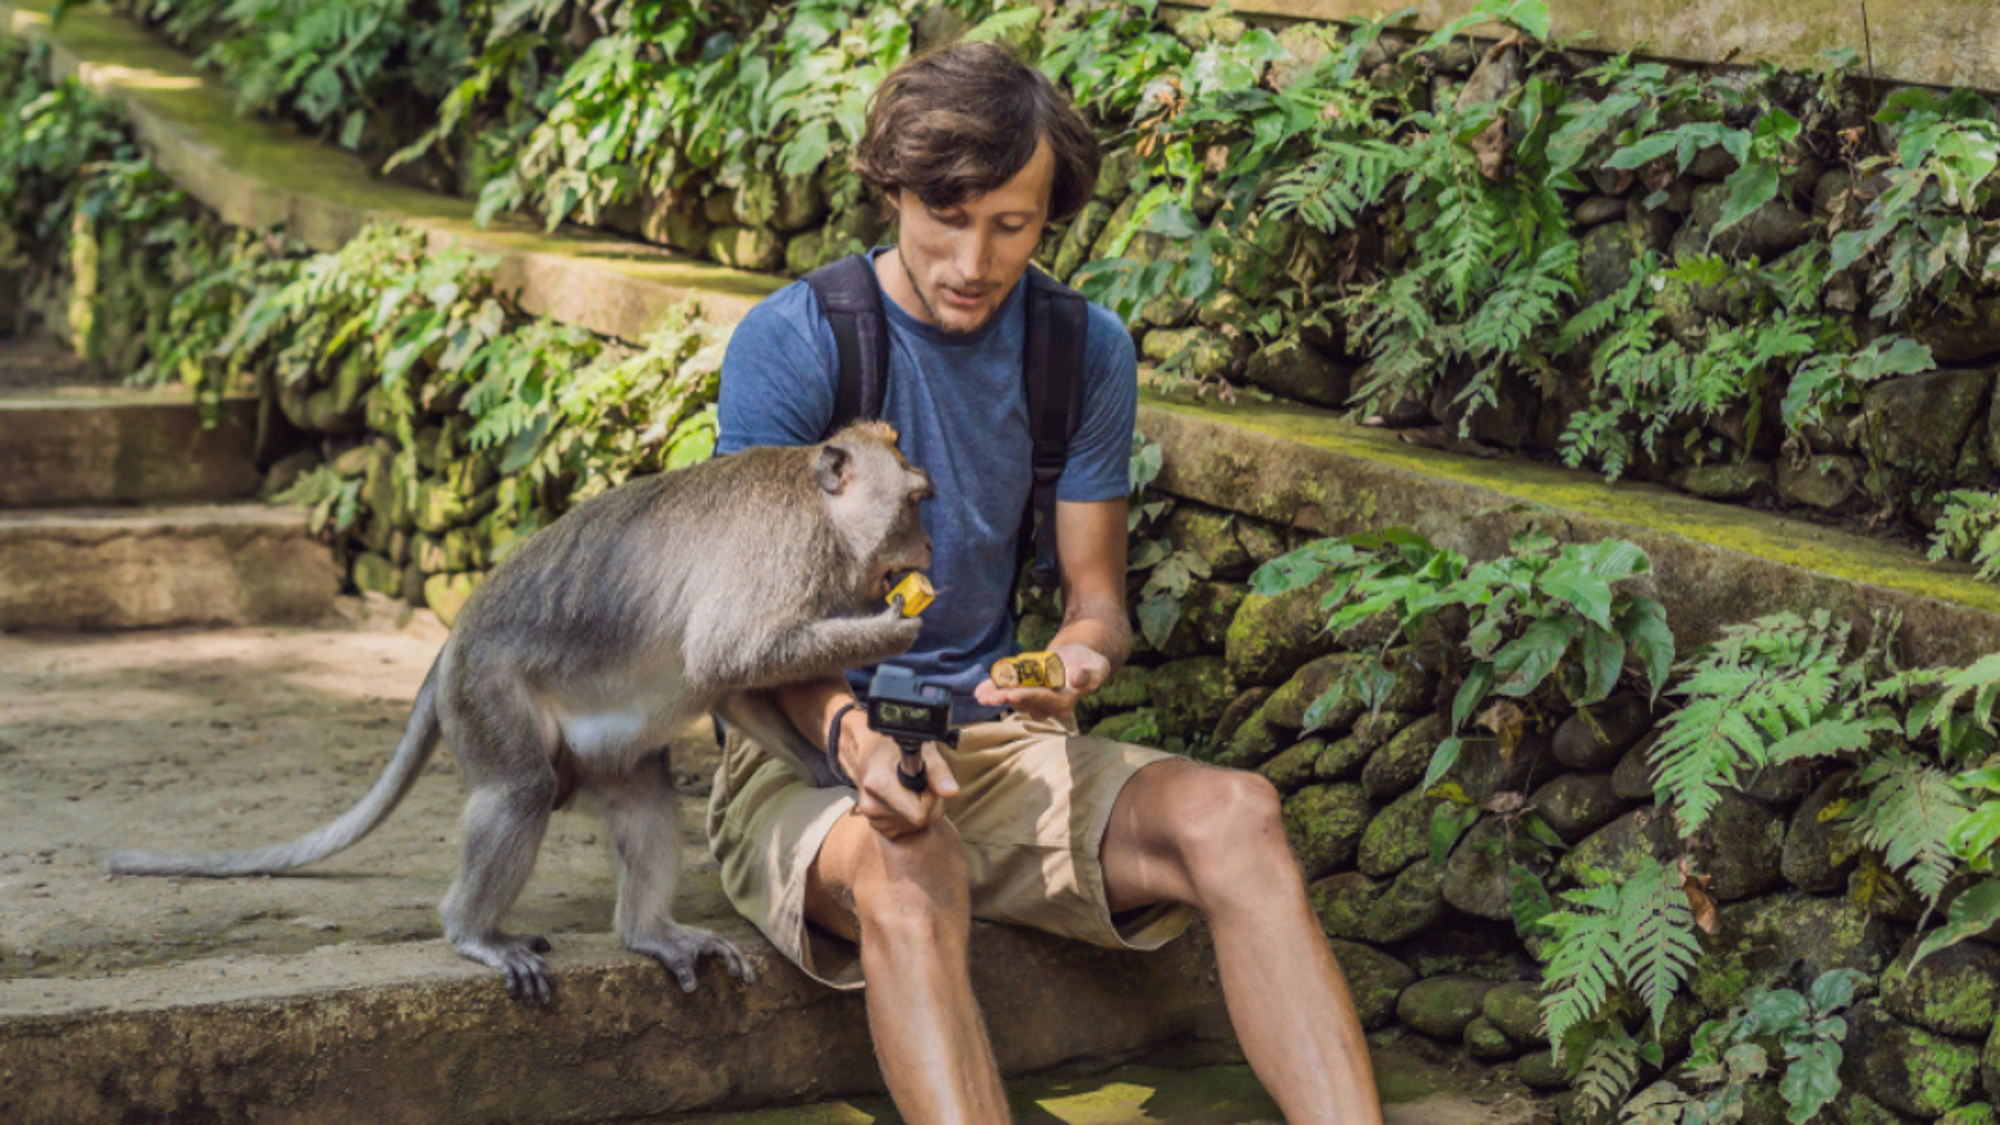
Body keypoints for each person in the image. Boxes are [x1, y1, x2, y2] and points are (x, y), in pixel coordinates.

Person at [705, 38, 1385, 1125]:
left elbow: (1096, 604)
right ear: (892, 190)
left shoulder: (1078, 349)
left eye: (1010, 226)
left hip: (995, 743)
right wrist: (856, 744)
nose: (974, 258)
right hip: (804, 752)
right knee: (906, 858)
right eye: (946, 216)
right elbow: (748, 636)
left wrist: (1070, 664)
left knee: (1238, 815)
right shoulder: (796, 344)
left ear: (1047, 218)